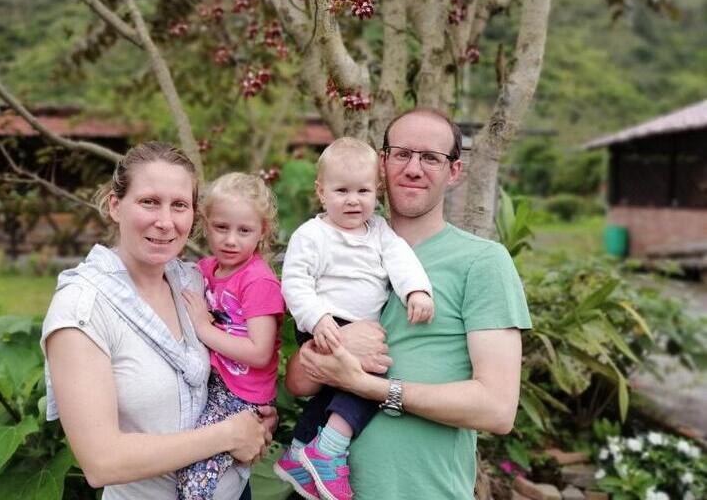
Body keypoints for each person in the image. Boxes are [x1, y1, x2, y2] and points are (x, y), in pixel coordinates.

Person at [285, 109, 532, 500]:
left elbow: (497, 409)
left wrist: (372, 387)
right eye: (401, 154)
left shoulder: (483, 262)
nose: (414, 168)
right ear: (382, 164)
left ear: (454, 171)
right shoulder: (336, 246)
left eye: (431, 158)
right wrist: (341, 343)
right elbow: (297, 382)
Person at [40, 142, 273, 500]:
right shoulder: (83, 308)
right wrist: (229, 435)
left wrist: (256, 422)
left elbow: (239, 365)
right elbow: (101, 462)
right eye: (149, 201)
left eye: (179, 205)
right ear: (115, 206)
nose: (165, 222)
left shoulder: (194, 283)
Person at [274, 137, 434, 500]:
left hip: (358, 327)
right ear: (321, 192)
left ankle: (300, 450)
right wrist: (316, 318)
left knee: (338, 388)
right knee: (371, 375)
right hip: (326, 325)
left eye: (362, 191)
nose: (352, 200)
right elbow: (295, 282)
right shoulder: (312, 235)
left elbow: (402, 261)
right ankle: (329, 450)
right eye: (341, 190)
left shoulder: (378, 231)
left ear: (377, 192)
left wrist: (416, 291)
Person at [177, 173, 285, 499]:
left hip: (242, 395)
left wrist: (203, 328)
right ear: (205, 224)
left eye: (244, 231)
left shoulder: (258, 281)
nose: (231, 240)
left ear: (262, 231)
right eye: (221, 227)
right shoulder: (208, 268)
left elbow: (260, 352)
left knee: (195, 478)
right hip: (218, 385)